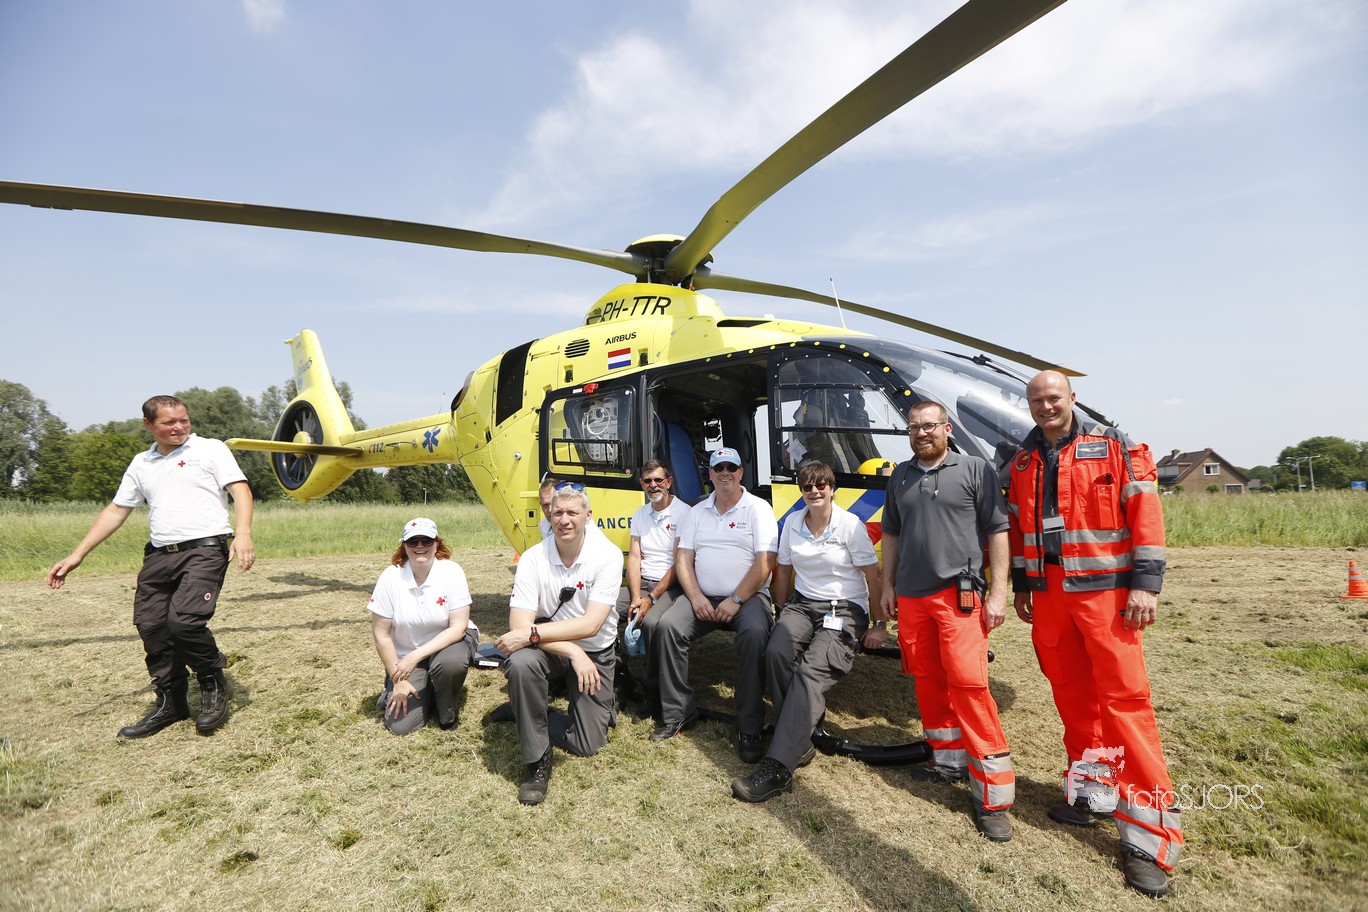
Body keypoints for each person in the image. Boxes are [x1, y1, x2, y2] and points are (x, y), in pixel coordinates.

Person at [1008, 370, 1183, 897]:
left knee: (1125, 704)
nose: (1045, 407)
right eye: (1037, 400)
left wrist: (1145, 585)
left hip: (1106, 595)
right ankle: (1093, 794)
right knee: (1073, 697)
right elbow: (1018, 527)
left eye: (1053, 397)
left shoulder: (1116, 447)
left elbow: (1145, 516)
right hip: (1049, 595)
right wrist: (1023, 585)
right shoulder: (1021, 461)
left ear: (1072, 398)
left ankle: (1149, 839)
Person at [45, 395, 254, 738]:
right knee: (152, 626)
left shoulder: (210, 449)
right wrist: (77, 555)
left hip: (205, 549)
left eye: (184, 420)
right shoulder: (142, 463)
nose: (179, 427)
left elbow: (241, 490)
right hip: (159, 554)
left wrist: (243, 533)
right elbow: (117, 510)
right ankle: (171, 702)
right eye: (169, 422)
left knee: (184, 622)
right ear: (149, 424)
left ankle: (213, 681)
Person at [878, 401, 1016, 842]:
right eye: (914, 428)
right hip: (912, 599)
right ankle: (948, 762)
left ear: (946, 428)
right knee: (927, 680)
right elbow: (891, 533)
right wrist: (887, 585)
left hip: (960, 597)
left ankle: (992, 796)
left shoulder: (975, 469)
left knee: (969, 686)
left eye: (929, 426)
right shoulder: (900, 476)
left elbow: (998, 531)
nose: (922, 433)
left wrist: (998, 593)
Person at [731, 461, 885, 802]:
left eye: (821, 485)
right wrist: (781, 611)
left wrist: (879, 624)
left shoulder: (850, 525)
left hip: (843, 609)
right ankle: (801, 738)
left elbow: (873, 577)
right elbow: (783, 571)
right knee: (775, 651)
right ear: (801, 491)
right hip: (802, 605)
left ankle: (779, 767)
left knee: (809, 673)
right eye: (807, 486)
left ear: (832, 488)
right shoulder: (793, 523)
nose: (814, 491)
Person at [493, 483, 624, 805]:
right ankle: (536, 764)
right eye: (558, 512)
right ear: (549, 515)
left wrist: (568, 646)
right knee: (521, 663)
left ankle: (527, 710)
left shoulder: (607, 555)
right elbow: (518, 625)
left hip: (594, 651)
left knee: (588, 743)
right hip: (555, 649)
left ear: (588, 516)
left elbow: (591, 625)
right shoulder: (532, 558)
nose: (564, 520)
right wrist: (572, 650)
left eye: (572, 513)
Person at [653, 447, 778, 761]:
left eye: (730, 468)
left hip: (748, 598)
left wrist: (736, 600)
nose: (725, 473)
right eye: (718, 468)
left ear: (740, 473)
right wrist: (696, 597)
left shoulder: (758, 508)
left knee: (754, 635)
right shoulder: (697, 512)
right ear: (709, 474)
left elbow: (766, 561)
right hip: (704, 597)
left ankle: (750, 725)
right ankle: (678, 712)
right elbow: (684, 558)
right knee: (668, 627)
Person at [368, 518, 479, 735]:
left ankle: (446, 708)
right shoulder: (390, 577)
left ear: (436, 544)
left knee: (449, 664)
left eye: (426, 540)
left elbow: (458, 627)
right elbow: (381, 635)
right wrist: (398, 680)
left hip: (448, 645)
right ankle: (403, 687)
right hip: (407, 656)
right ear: (404, 545)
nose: (420, 546)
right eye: (413, 541)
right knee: (401, 726)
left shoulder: (452, 571)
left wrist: (414, 657)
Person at [618, 460, 692, 719]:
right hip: (643, 585)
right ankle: (618, 678)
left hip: (671, 585)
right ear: (642, 484)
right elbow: (635, 557)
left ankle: (652, 692)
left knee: (651, 623)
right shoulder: (640, 514)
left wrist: (650, 598)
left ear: (668, 482)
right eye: (647, 481)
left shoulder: (684, 513)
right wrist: (635, 597)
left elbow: (679, 563)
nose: (653, 485)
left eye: (658, 480)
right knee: (604, 607)